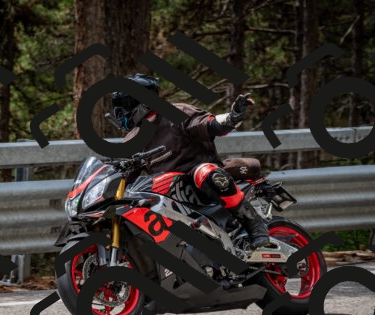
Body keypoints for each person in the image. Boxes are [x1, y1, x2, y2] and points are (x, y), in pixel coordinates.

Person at [111, 73, 269, 249]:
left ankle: (254, 223)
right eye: (118, 105)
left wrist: (232, 117)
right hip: (166, 191)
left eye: (125, 104)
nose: (120, 111)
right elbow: (122, 175)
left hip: (198, 183)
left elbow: (210, 124)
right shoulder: (132, 138)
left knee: (206, 172)